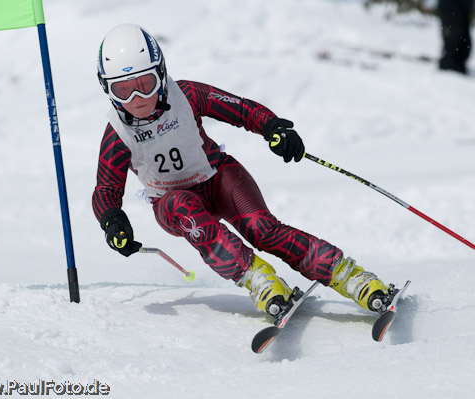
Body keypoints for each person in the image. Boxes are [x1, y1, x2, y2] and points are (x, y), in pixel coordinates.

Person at [92, 23, 396, 318]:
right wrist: (113, 221)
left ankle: (350, 276)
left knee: (261, 229)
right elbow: (106, 190)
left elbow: (238, 108)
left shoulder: (187, 94)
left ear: (161, 73)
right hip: (173, 205)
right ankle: (258, 279)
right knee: (180, 204)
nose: (138, 99)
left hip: (219, 179)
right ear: (108, 89)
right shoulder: (117, 134)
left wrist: (272, 127)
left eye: (145, 84)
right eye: (123, 90)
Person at [438, 0, 474, 74]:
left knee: (464, 43)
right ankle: (449, 68)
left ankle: (457, 66)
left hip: (464, 7)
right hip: (450, 6)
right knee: (453, 42)